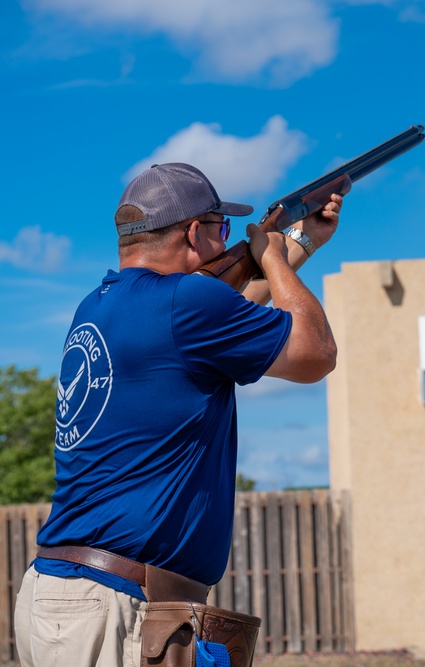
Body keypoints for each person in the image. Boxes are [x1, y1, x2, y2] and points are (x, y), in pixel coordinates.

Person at [13, 162, 341, 667]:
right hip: (113, 606)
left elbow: (231, 316)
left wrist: (301, 242)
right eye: (221, 228)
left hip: (67, 597)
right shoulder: (187, 302)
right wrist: (274, 258)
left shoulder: (97, 306)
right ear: (194, 232)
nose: (226, 240)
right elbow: (315, 352)